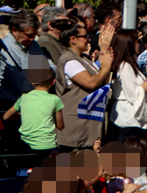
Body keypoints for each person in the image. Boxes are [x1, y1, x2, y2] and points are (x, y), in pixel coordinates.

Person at [56, 22, 112, 151]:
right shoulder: (70, 61)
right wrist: (105, 68)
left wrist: (104, 51)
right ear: (73, 39)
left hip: (88, 123)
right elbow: (91, 82)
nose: (89, 39)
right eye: (85, 36)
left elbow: (101, 80)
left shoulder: (83, 59)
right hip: (76, 128)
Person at [1, 10, 48, 152]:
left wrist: (39, 78)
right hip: (11, 108)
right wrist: (39, 80)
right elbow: (21, 84)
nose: (32, 39)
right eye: (28, 35)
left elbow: (48, 69)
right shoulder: (5, 49)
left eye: (34, 35)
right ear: (14, 30)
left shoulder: (33, 45)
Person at [107, 29, 147, 144]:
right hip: (127, 120)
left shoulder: (129, 65)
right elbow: (135, 95)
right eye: (137, 41)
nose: (139, 44)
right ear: (129, 45)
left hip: (128, 119)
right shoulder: (125, 67)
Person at [3, 54, 63, 159]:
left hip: (26, 145)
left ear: (32, 81)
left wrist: (21, 116)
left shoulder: (24, 98)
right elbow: (60, 126)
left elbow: (5, 117)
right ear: (53, 82)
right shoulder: (55, 99)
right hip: (47, 146)